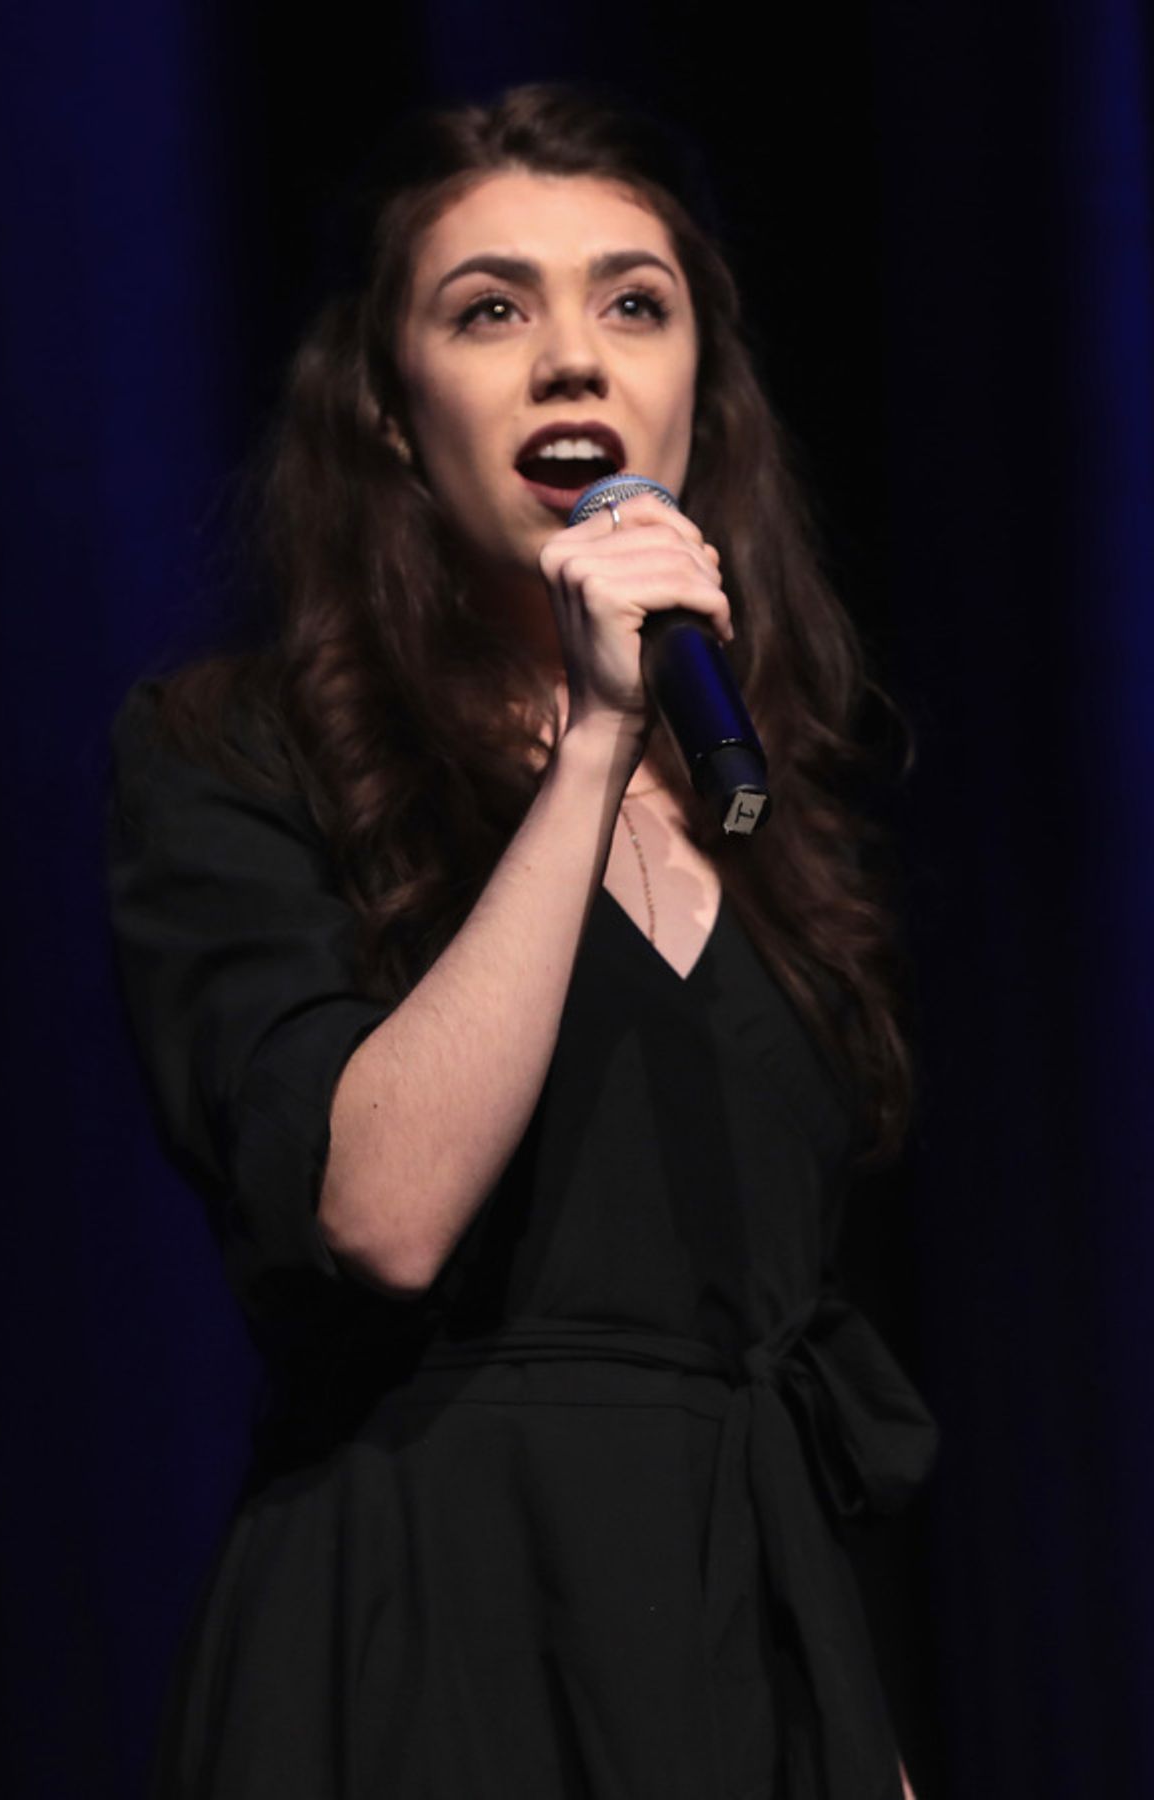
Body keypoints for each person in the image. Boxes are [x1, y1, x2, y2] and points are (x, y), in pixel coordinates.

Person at [108, 83, 937, 1800]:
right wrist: (587, 749)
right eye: (490, 309)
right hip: (431, 1634)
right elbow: (384, 1215)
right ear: (398, 419)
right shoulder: (235, 757)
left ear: (697, 392)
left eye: (635, 304)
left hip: (733, 1662)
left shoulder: (769, 817)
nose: (576, 361)